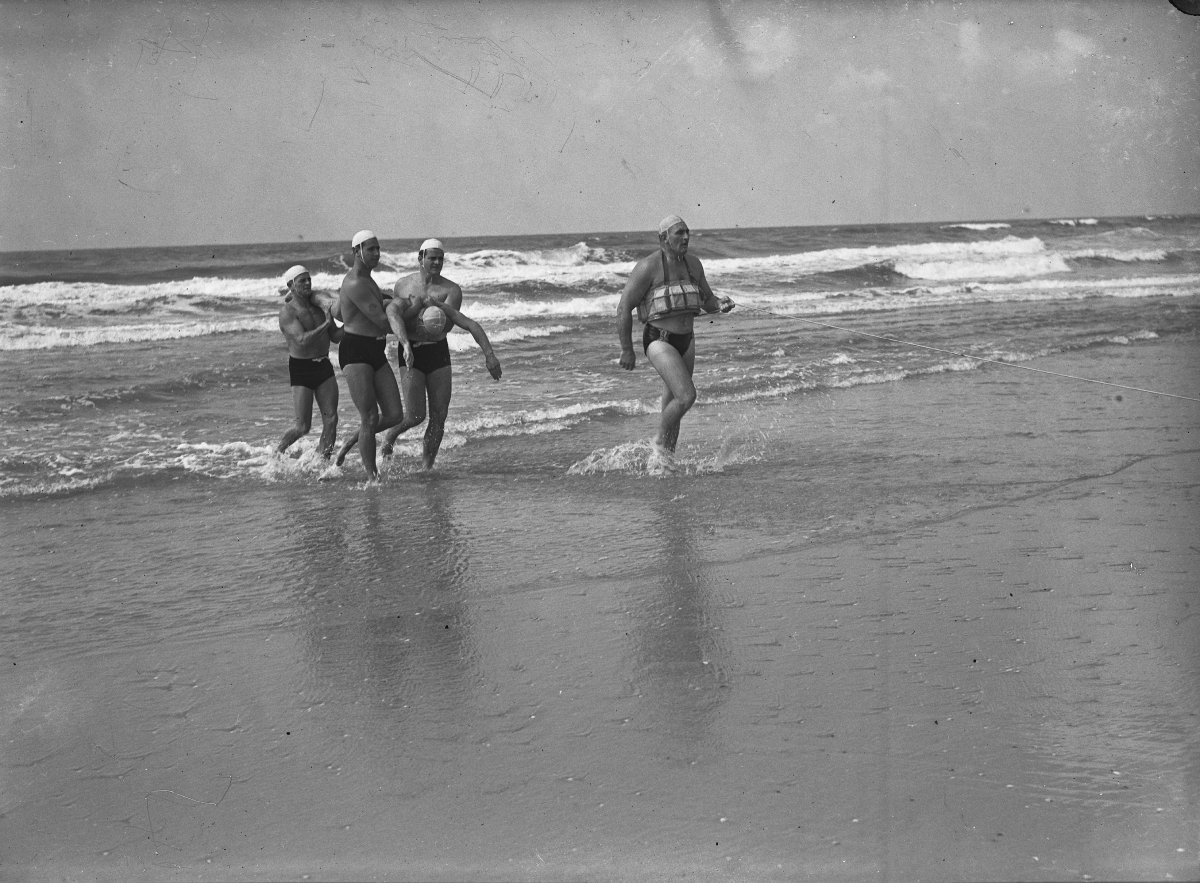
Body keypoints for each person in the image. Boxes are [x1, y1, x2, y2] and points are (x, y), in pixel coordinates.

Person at [337, 239, 502, 470]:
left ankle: (426, 466)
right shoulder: (403, 286)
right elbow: (392, 316)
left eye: (440, 258)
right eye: (432, 258)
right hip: (410, 352)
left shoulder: (451, 290)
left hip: (437, 353)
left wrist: (490, 356)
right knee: (414, 416)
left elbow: (451, 327)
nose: (436, 262)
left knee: (439, 416)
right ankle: (388, 437)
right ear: (420, 258)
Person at [616, 215, 734, 456]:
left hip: (687, 341)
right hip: (660, 340)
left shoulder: (694, 264)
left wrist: (719, 304)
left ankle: (665, 460)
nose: (686, 237)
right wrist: (627, 349)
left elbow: (707, 300)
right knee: (687, 396)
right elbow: (623, 307)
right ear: (664, 238)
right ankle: (659, 440)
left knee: (674, 405)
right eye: (679, 233)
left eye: (687, 232)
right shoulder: (648, 267)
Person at [335, 230, 414, 479]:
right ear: (356, 251)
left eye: (378, 248)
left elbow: (344, 310)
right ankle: (372, 477)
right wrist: (411, 313)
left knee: (394, 414)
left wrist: (394, 301)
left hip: (374, 351)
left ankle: (356, 439)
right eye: (371, 249)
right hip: (356, 351)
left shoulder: (368, 279)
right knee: (369, 417)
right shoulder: (355, 282)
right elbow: (382, 321)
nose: (377, 253)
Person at [277, 265, 342, 457]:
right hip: (301, 368)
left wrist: (355, 323)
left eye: (309, 279)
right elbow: (301, 340)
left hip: (323, 365)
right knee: (302, 426)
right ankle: (278, 452)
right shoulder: (288, 312)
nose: (307, 283)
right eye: (302, 280)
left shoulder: (319, 306)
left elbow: (336, 337)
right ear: (291, 285)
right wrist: (327, 324)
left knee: (331, 419)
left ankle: (322, 461)